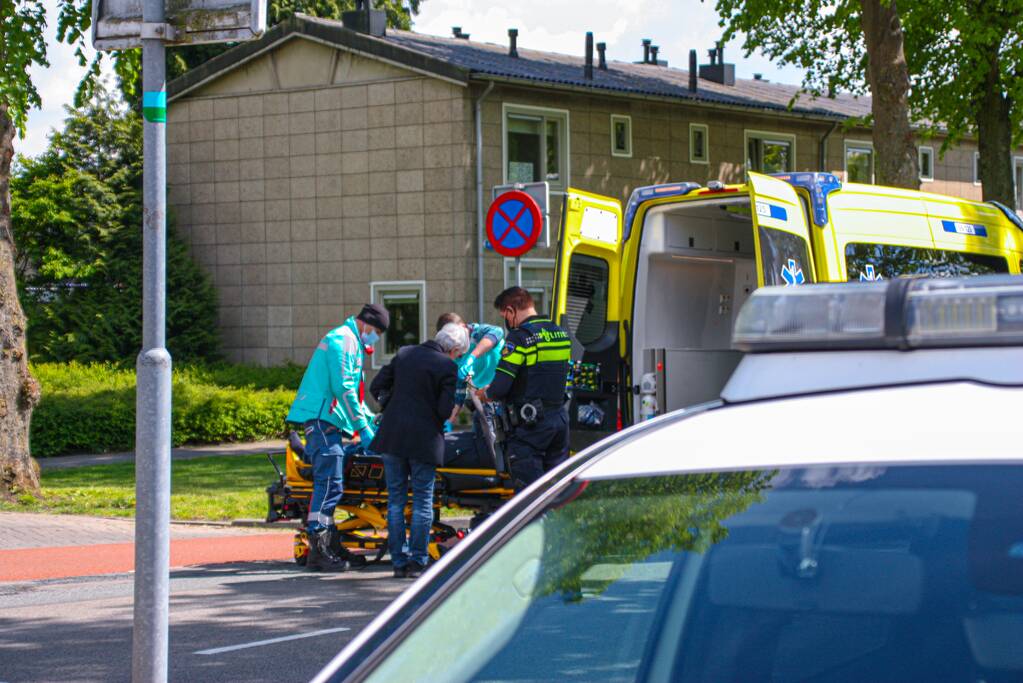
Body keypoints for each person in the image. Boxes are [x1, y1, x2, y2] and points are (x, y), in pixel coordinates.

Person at [287, 303, 389, 572]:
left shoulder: (349, 340)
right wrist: (363, 428)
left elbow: (350, 393)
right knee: (329, 485)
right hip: (323, 420)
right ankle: (319, 550)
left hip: (327, 421)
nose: (375, 338)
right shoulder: (343, 340)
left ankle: (330, 546)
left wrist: (369, 420)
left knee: (332, 486)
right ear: (366, 323)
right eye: (376, 331)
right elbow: (343, 388)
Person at [370, 323, 468, 578]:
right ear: (454, 348)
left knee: (396, 500)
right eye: (459, 353)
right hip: (424, 440)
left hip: (393, 437)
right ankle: (417, 561)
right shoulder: (447, 367)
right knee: (423, 500)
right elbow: (444, 411)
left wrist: (390, 404)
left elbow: (376, 386)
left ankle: (398, 562)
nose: (458, 357)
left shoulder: (404, 353)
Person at [486, 287, 571, 492]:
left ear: (512, 310)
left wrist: (484, 393)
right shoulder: (560, 333)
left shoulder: (519, 338)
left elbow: (499, 388)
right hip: (559, 421)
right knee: (555, 492)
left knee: (530, 497)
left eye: (505, 315)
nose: (506, 321)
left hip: (530, 428)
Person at [435, 312, 504, 416]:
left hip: (504, 389)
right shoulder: (455, 350)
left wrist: (472, 357)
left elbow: (498, 331)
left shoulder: (478, 332)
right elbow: (462, 385)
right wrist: (451, 417)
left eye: (454, 335)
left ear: (462, 327)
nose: (453, 341)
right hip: (484, 399)